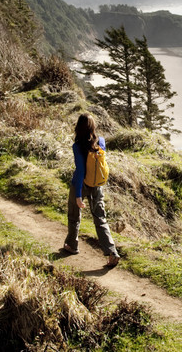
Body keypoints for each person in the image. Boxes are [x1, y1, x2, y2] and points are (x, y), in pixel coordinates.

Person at [63, 113, 120, 267]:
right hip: (97, 185)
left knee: (74, 216)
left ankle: (72, 245)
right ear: (93, 127)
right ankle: (112, 252)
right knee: (100, 218)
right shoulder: (100, 141)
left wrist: (78, 195)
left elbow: (81, 170)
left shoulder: (77, 146)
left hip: (80, 185)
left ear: (78, 128)